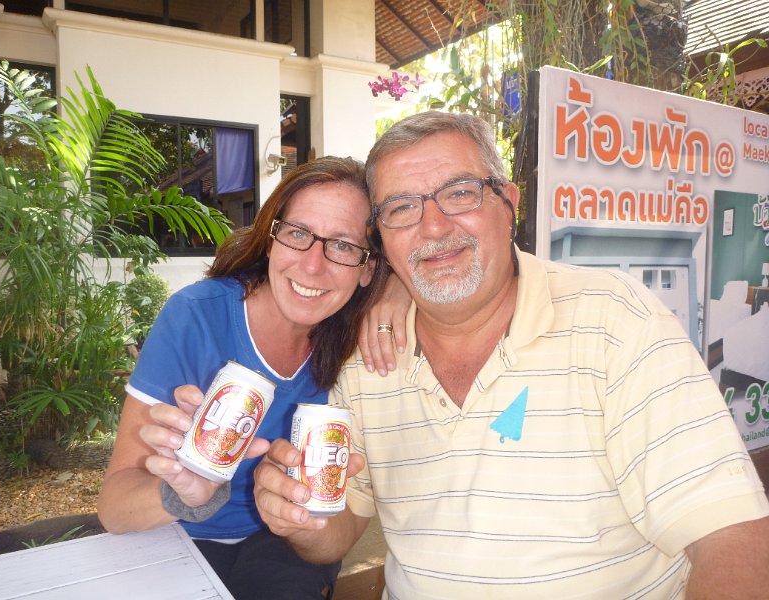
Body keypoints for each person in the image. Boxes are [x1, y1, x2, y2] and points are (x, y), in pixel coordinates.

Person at [253, 111, 769, 599]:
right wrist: (298, 516)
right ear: (382, 239)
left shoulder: (616, 320)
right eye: (402, 208)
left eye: (460, 193)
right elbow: (338, 533)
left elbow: (732, 537)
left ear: (509, 204)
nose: (433, 227)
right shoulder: (367, 360)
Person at [97, 156, 388, 599]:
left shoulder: (361, 337)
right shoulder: (196, 317)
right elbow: (115, 508)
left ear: (368, 268)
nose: (312, 265)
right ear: (270, 238)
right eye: (297, 233)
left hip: (288, 540)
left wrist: (398, 296)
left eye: (344, 246)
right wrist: (185, 493)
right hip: (182, 538)